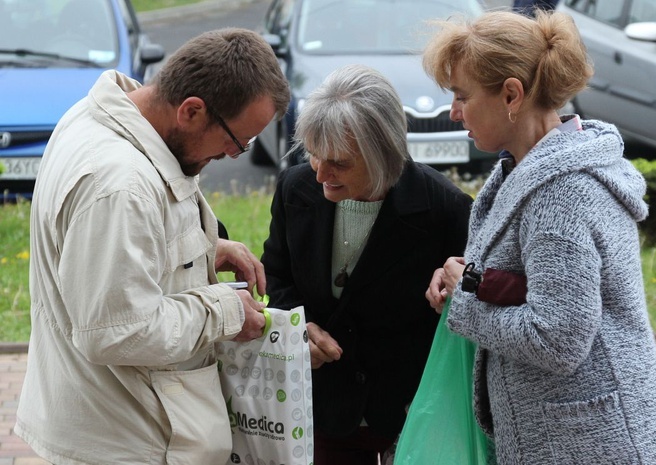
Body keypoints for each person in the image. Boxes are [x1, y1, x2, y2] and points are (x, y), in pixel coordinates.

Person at [14, 28, 290, 464]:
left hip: (120, 428)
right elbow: (114, 330)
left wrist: (203, 246)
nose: (233, 155)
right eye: (236, 142)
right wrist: (225, 310)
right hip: (127, 442)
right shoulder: (121, 185)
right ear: (192, 111)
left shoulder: (103, 120)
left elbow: (106, 252)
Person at [423, 10, 656, 464]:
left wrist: (462, 305)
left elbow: (557, 338)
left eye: (463, 95)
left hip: (599, 444)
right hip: (574, 438)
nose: (454, 111)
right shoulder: (526, 168)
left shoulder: (560, 196)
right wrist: (467, 281)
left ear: (511, 94)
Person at [260, 64, 473, 464]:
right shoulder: (296, 188)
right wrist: (296, 327)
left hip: (408, 418)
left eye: (338, 162)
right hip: (319, 412)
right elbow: (276, 274)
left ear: (384, 154)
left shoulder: (446, 210)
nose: (321, 174)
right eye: (313, 155)